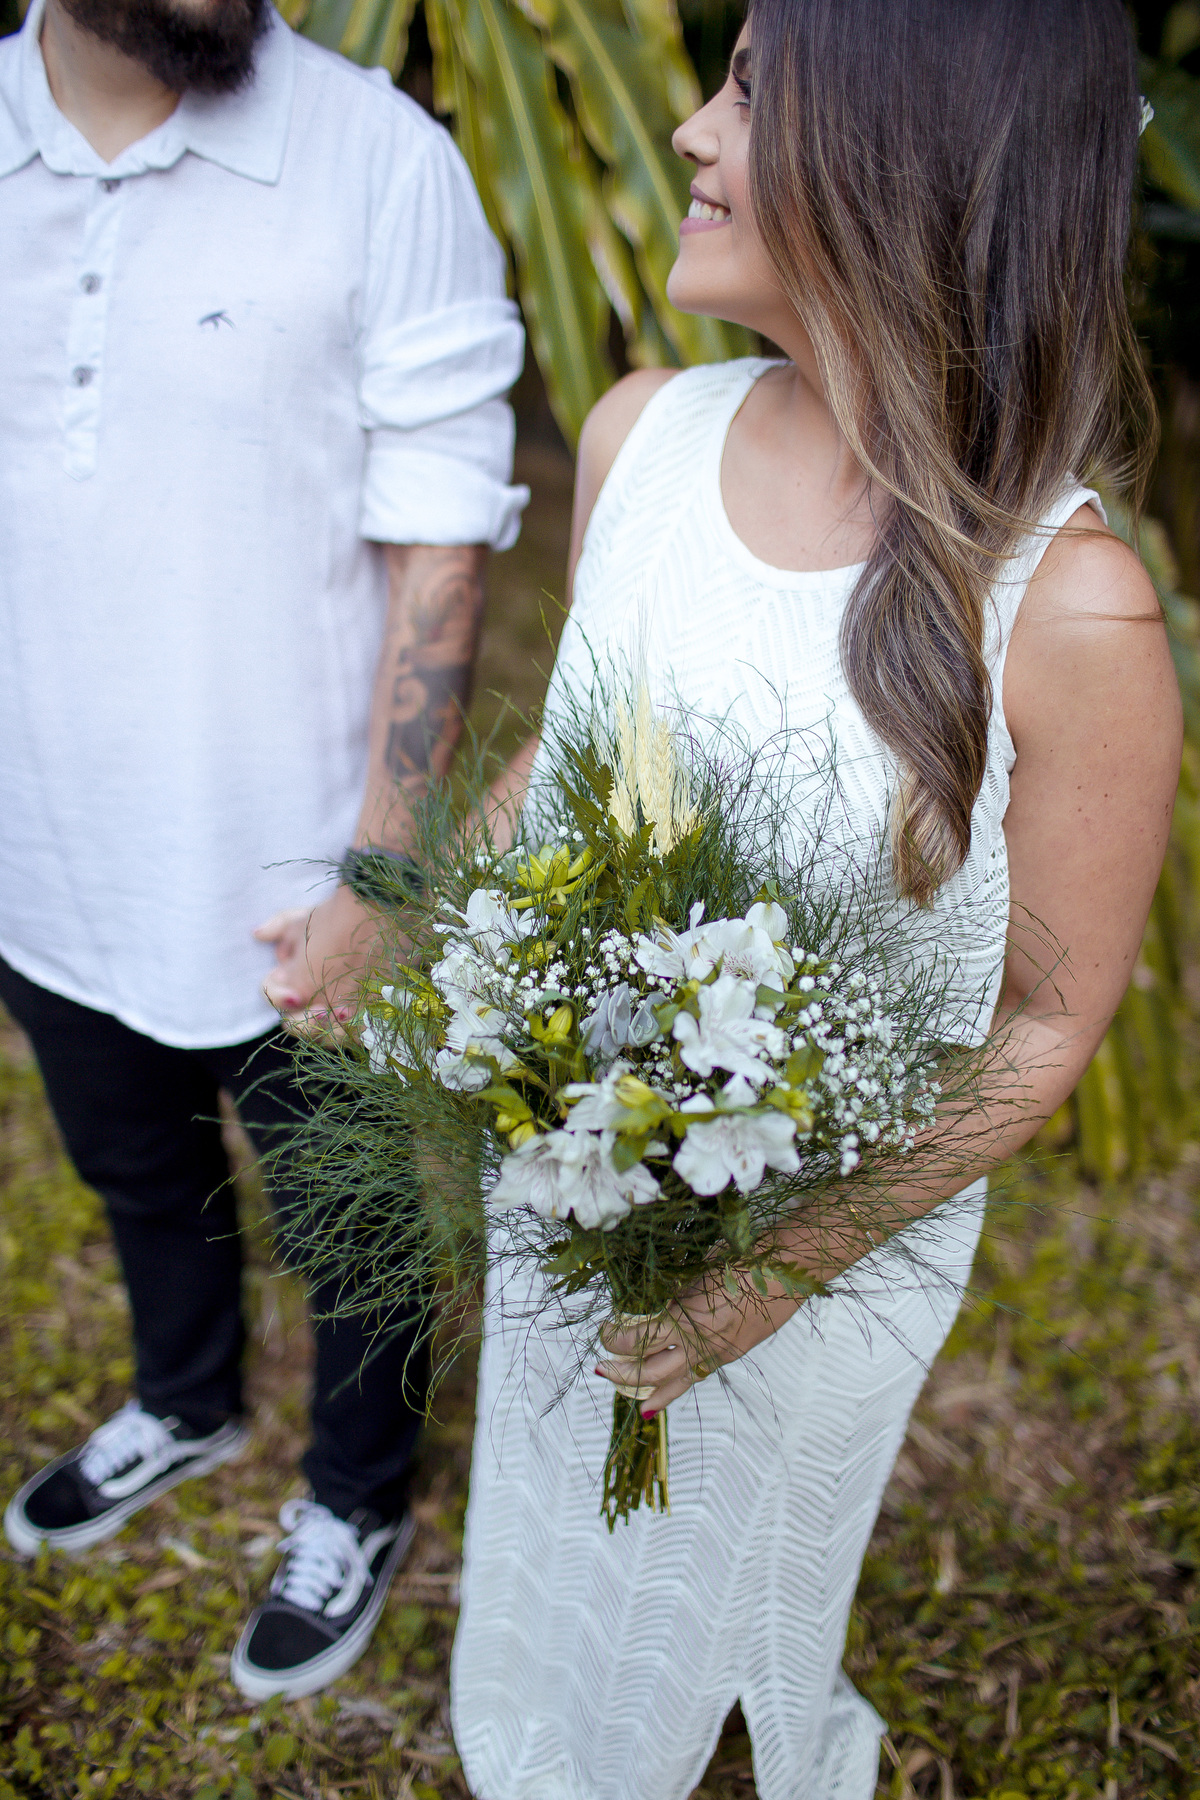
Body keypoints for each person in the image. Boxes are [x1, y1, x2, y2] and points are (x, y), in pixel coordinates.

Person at [447, 1, 1181, 1794]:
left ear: (908, 161)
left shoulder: (1068, 611)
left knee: (735, 1554)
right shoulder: (637, 435)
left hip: (821, 1250)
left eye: (755, 91)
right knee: (554, 1485)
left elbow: (1045, 1026)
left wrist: (761, 1278)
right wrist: (443, 937)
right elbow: (571, 759)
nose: (692, 132)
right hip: (587, 1148)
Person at [0, 0, 526, 1701]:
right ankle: (186, 1397)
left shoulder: (381, 156)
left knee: (357, 1231)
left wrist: (381, 878)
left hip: (303, 868)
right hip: (45, 844)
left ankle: (355, 1502)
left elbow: (444, 545)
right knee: (137, 1172)